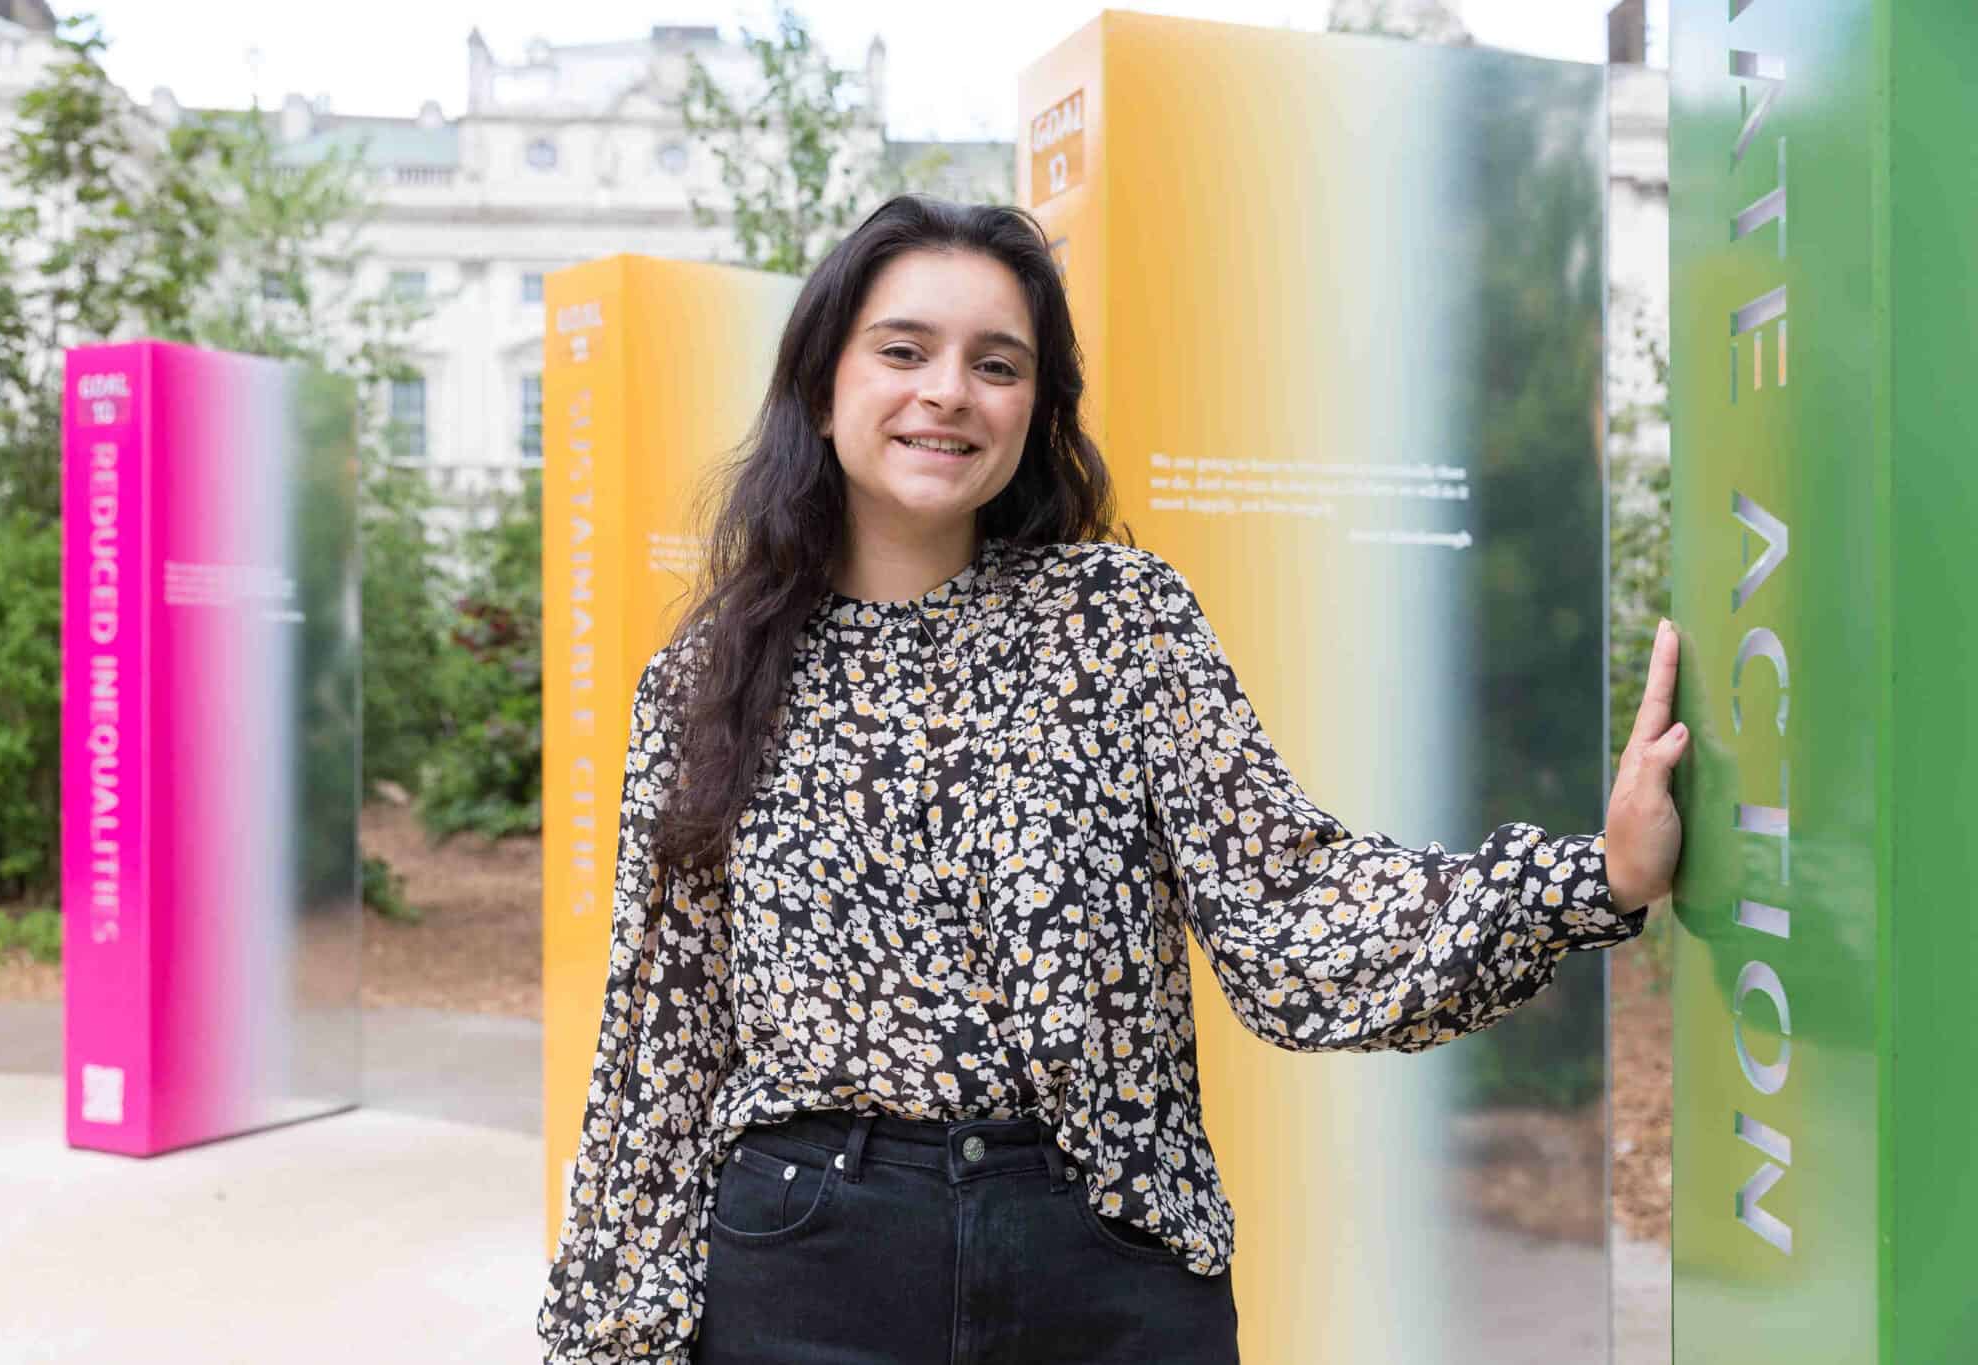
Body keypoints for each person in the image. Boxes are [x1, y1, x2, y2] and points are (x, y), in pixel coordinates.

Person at [536, 195, 1687, 1364]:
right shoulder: (705, 679)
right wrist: (610, 1337)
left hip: (1102, 1246)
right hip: (808, 1257)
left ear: (1033, 412)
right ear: (819, 385)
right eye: (902, 350)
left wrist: (1591, 876)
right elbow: (661, 1038)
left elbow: (1288, 909)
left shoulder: (1119, 621)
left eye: (997, 364)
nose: (947, 391)